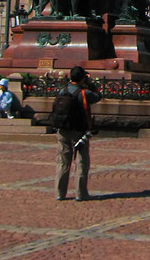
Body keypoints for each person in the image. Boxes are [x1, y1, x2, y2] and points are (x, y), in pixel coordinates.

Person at [55, 66, 102, 201]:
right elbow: (98, 96)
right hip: (79, 131)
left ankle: (59, 193)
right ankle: (80, 194)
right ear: (82, 78)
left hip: (63, 129)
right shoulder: (84, 93)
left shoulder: (62, 91)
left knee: (63, 161)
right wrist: (91, 84)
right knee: (81, 161)